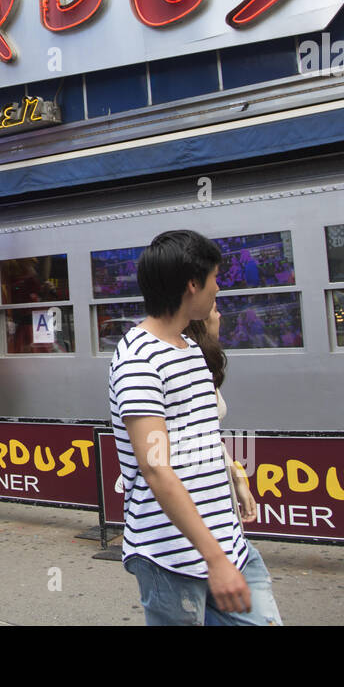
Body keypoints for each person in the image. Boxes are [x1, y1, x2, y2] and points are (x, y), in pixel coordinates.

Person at [109, 230, 281, 626]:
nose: (217, 288)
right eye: (215, 278)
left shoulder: (188, 350)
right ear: (192, 284)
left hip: (227, 546)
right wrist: (214, 559)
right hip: (173, 559)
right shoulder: (139, 361)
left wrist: (234, 474)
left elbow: (199, 438)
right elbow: (156, 468)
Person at [184, 304, 257, 524]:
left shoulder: (203, 365)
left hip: (215, 488)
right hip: (201, 497)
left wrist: (236, 479)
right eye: (215, 310)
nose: (220, 315)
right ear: (202, 322)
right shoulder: (190, 368)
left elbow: (210, 438)